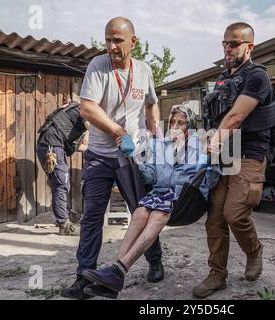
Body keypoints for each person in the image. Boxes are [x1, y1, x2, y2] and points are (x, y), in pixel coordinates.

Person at [60, 17, 164, 300]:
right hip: (100, 156)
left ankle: (155, 261)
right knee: (92, 216)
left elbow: (152, 105)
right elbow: (87, 109)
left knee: (141, 212)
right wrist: (119, 132)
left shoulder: (144, 70)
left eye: (118, 40)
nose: (111, 46)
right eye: (108, 40)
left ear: (134, 41)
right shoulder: (98, 66)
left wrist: (156, 139)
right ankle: (84, 277)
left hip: (134, 158)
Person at [81, 105, 219, 299]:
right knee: (139, 212)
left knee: (156, 214)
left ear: (190, 126)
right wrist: (135, 158)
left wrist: (213, 160)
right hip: (160, 193)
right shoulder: (161, 146)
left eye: (181, 122)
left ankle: (119, 269)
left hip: (184, 198)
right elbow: (152, 177)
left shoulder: (200, 147)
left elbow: (211, 181)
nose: (175, 126)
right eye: (172, 122)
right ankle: (114, 276)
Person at [194, 22, 275, 298]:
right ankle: (217, 275)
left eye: (234, 43)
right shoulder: (221, 78)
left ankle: (254, 251)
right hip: (223, 156)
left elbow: (235, 117)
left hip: (250, 154)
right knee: (214, 218)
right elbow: (213, 117)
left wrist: (212, 144)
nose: (228, 48)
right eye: (225, 43)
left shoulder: (257, 77)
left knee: (235, 213)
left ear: (249, 46)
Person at [36, 100, 89, 235]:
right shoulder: (84, 109)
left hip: (52, 145)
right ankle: (64, 224)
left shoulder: (74, 112)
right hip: (51, 147)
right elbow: (92, 128)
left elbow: (78, 146)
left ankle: (64, 215)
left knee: (61, 184)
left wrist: (93, 149)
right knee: (61, 184)